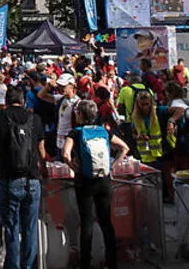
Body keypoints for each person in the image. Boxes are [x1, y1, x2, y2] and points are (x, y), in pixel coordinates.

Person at [0, 85, 46, 269]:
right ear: (23, 100)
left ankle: (13, 266)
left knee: (11, 229)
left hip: (9, 180)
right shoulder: (35, 119)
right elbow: (41, 150)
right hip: (32, 179)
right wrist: (44, 169)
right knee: (30, 228)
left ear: (6, 101)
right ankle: (30, 265)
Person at [63, 100, 129, 269]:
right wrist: (113, 166)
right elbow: (124, 148)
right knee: (106, 221)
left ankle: (86, 262)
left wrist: (73, 167)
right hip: (104, 180)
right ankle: (111, 261)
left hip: (85, 182)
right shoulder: (104, 131)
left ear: (80, 115)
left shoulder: (76, 133)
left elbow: (65, 154)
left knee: (86, 222)